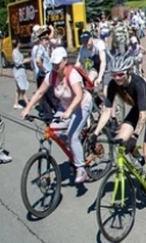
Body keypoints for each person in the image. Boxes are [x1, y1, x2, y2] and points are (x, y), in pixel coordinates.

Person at [93, 54, 146, 207]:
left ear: (128, 71)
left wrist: (135, 135)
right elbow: (106, 111)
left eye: (120, 74)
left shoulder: (138, 83)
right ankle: (138, 159)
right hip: (137, 109)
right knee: (121, 139)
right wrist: (95, 133)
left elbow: (143, 115)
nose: (117, 78)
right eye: (114, 75)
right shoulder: (114, 84)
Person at [21, 47, 93, 185]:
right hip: (65, 107)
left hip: (81, 105)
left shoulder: (72, 74)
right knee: (54, 129)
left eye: (58, 64)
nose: (55, 67)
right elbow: (40, 93)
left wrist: (69, 111)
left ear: (65, 61)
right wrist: (27, 109)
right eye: (53, 64)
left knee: (72, 136)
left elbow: (79, 95)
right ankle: (74, 150)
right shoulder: (51, 75)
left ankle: (81, 169)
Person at [11, 42, 31, 109]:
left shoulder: (16, 51)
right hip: (19, 72)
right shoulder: (15, 52)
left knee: (18, 89)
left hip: (19, 71)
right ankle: (28, 105)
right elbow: (17, 63)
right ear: (18, 44)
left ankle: (16, 103)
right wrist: (25, 61)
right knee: (22, 89)